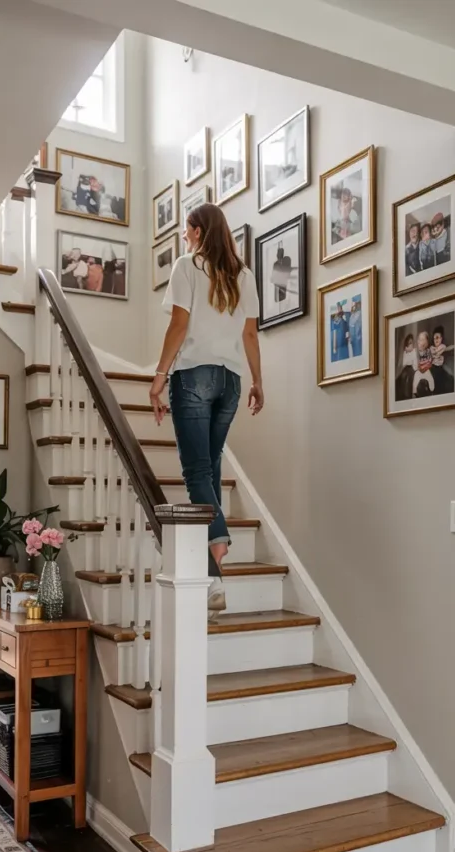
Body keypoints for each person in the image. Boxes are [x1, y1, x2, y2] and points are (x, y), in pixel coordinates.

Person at [149, 203, 263, 620]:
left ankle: (216, 562)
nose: (183, 237)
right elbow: (249, 332)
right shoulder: (243, 274)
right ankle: (217, 547)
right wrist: (257, 380)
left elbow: (179, 325)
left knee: (196, 471)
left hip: (193, 375)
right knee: (210, 466)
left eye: (185, 230)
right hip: (231, 380)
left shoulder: (187, 266)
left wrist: (160, 374)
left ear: (198, 231)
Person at [413, 331, 435, 396]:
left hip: (426, 369)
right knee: (416, 377)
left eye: (422, 339)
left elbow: (430, 360)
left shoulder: (428, 350)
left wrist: (429, 362)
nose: (419, 341)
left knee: (431, 379)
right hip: (419, 370)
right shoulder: (416, 351)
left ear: (426, 343)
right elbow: (415, 362)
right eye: (419, 339)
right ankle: (414, 392)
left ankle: (432, 390)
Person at [396, 333, 417, 400]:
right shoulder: (405, 352)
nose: (411, 345)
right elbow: (404, 363)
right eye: (409, 343)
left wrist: (414, 369)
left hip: (412, 368)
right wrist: (407, 353)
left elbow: (415, 364)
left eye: (412, 343)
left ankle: (407, 395)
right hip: (406, 368)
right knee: (401, 377)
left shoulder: (414, 351)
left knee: (408, 377)